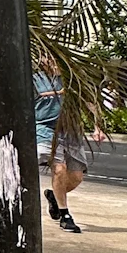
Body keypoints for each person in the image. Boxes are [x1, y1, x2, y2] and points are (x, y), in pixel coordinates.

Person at [34, 71, 102, 234]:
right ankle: (65, 216)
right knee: (59, 169)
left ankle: (54, 197)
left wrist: (97, 126)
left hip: (71, 130)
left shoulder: (72, 76)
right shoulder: (34, 78)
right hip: (45, 129)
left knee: (76, 177)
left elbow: (89, 101)